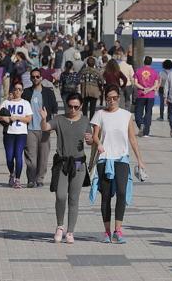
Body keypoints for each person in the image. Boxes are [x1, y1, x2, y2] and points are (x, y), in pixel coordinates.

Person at [90, 84, 146, 244]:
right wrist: (98, 144)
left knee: (122, 192)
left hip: (121, 159)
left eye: (115, 98)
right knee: (106, 196)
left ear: (119, 99)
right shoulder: (99, 114)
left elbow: (132, 138)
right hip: (104, 159)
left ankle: (118, 230)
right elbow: (94, 136)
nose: (112, 101)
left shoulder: (126, 115)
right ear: (105, 99)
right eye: (109, 98)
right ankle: (107, 232)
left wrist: (140, 160)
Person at [40, 93, 93, 244]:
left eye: (76, 107)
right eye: (70, 106)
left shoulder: (85, 121)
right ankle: (59, 226)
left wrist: (90, 140)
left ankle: (70, 232)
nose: (73, 109)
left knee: (73, 198)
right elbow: (46, 128)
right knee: (61, 196)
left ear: (81, 106)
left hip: (78, 163)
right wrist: (44, 118)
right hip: (62, 163)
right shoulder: (59, 119)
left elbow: (90, 140)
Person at [22, 68, 59, 188]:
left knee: (43, 157)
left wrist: (53, 126)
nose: (35, 79)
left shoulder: (48, 92)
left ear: (41, 78)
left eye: (37, 76)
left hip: (45, 129)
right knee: (31, 157)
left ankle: (40, 178)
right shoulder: (26, 92)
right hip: (30, 129)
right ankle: (31, 179)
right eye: (33, 77)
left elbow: (54, 110)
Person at [0, 83, 33, 189]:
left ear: (22, 91)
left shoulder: (25, 103)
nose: (17, 91)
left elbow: (29, 119)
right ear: (13, 90)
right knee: (9, 157)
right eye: (16, 89)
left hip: (21, 133)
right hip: (9, 133)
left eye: (19, 89)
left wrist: (17, 118)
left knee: (18, 156)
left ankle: (18, 179)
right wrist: (4, 118)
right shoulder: (7, 102)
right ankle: (11, 173)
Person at [133, 56, 160, 138]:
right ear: (151, 62)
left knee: (138, 112)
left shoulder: (138, 71)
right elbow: (155, 85)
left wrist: (143, 88)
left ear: (144, 62)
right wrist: (148, 90)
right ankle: (146, 132)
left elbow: (135, 83)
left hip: (141, 95)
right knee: (148, 113)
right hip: (150, 95)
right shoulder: (155, 72)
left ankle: (140, 124)